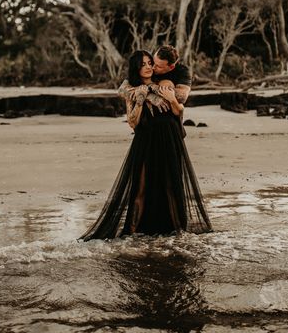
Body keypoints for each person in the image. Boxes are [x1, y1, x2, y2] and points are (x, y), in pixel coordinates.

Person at [80, 50, 212, 241]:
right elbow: (132, 122)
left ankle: (180, 233)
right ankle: (131, 232)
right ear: (136, 68)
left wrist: (161, 93)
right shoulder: (132, 89)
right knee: (139, 186)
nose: (149, 67)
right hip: (145, 139)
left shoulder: (164, 83)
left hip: (169, 137)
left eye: (150, 63)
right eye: (144, 64)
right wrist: (142, 97)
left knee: (171, 185)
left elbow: (179, 106)